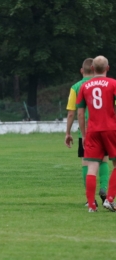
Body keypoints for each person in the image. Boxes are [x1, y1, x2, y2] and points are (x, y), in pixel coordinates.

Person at [65, 58, 109, 206]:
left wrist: (68, 132)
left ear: (82, 70)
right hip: (105, 128)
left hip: (87, 131)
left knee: (87, 163)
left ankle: (91, 200)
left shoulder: (77, 87)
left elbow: (72, 112)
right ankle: (104, 189)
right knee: (103, 161)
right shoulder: (107, 84)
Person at [76, 55, 116, 212]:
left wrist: (84, 134)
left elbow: (80, 113)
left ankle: (91, 205)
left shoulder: (84, 86)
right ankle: (110, 198)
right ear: (108, 68)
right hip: (111, 128)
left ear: (92, 69)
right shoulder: (113, 84)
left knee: (92, 167)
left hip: (93, 130)